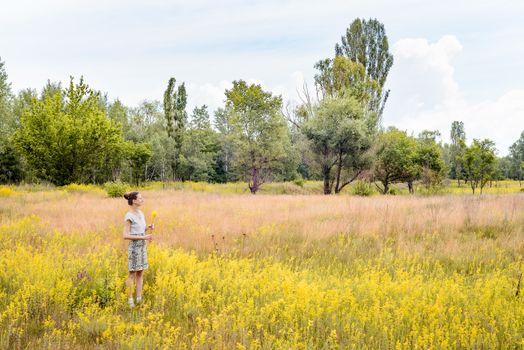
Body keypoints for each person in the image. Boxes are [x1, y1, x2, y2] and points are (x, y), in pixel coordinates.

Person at [123, 191, 153, 307]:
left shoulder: (141, 213)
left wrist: (147, 228)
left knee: (140, 273)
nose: (142, 199)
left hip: (142, 246)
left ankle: (139, 299)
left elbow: (139, 230)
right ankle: (130, 301)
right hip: (135, 247)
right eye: (140, 198)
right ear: (134, 201)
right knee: (132, 274)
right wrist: (144, 237)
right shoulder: (129, 216)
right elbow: (125, 235)